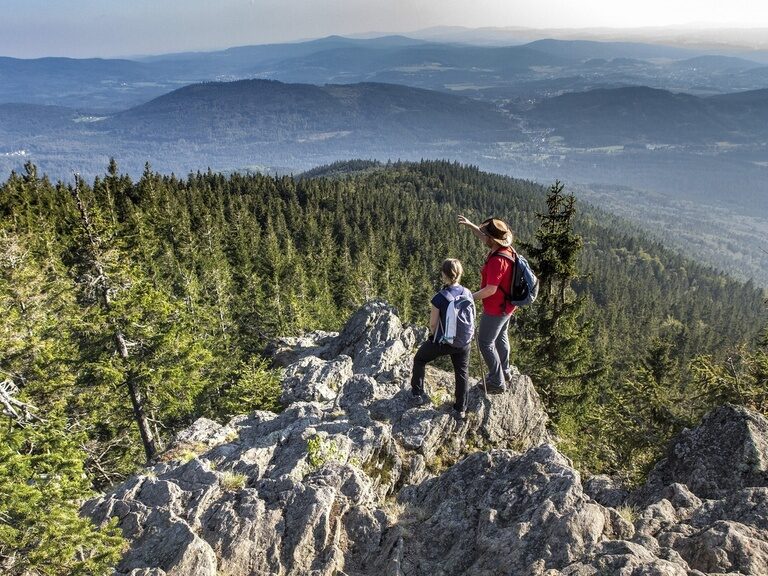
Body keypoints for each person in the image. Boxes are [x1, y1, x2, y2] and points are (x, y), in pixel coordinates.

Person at [458, 215, 516, 393]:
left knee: (485, 342)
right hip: (507, 305)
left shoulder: (497, 261)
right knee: (501, 336)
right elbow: (486, 237)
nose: (484, 238)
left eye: (487, 236)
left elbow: (491, 289)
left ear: (493, 239)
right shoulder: (507, 250)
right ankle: (504, 371)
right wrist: (471, 226)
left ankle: (497, 382)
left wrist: (468, 297)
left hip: (496, 308)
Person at [410, 258, 474, 420]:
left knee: (419, 359)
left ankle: (417, 394)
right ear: (459, 274)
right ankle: (460, 409)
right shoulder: (467, 293)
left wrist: (435, 338)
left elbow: (433, 324)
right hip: (464, 341)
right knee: (461, 372)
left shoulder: (440, 297)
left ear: (444, 275)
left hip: (445, 341)